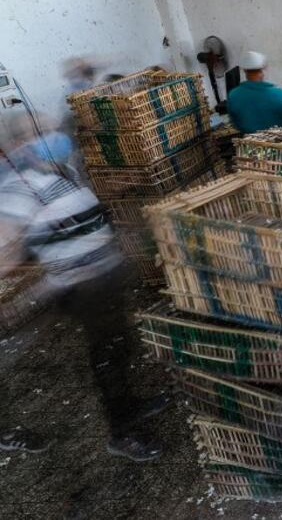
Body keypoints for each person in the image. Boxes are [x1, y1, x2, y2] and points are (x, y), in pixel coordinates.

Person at [0, 116, 168, 461]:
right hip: (81, 287)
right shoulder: (18, 189)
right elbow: (7, 246)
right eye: (34, 134)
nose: (47, 137)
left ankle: (130, 406)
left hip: (104, 276)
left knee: (119, 347)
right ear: (17, 147)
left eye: (45, 130)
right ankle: (122, 433)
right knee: (108, 355)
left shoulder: (61, 173)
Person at [225, 51, 282, 133]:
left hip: (250, 140)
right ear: (262, 71)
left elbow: (235, 123)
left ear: (244, 71)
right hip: (280, 140)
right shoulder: (277, 94)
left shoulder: (234, 95)